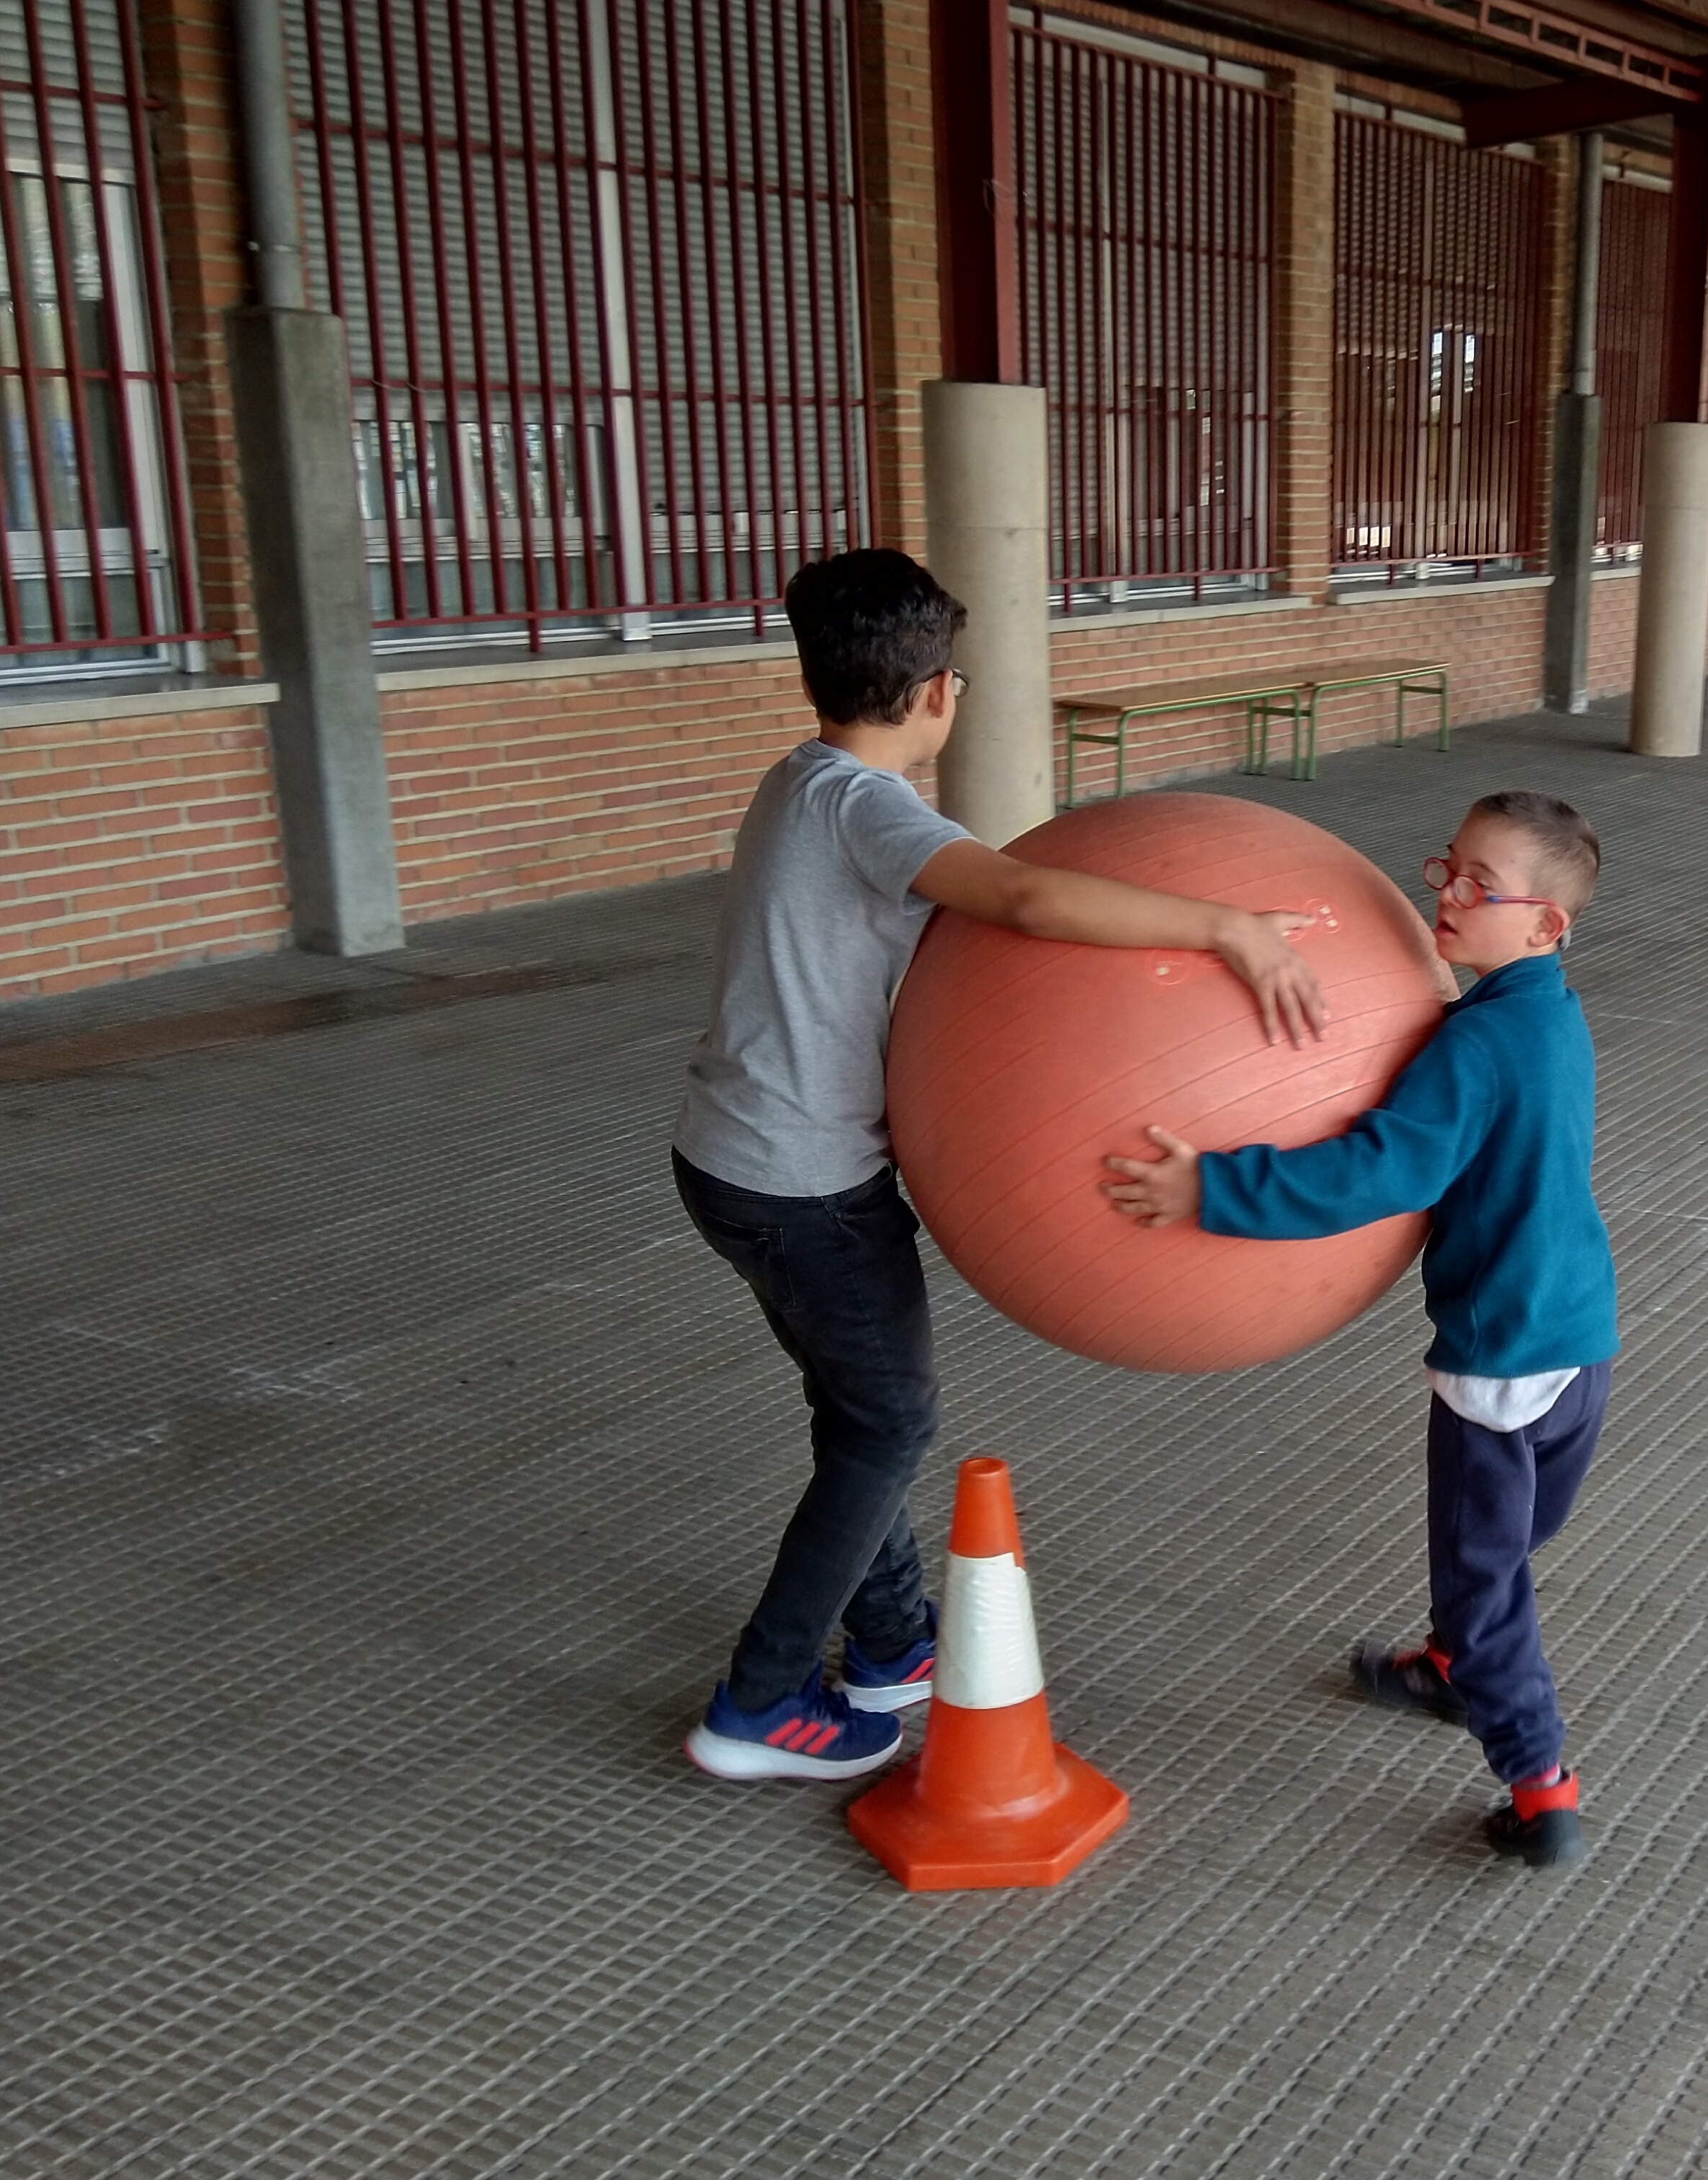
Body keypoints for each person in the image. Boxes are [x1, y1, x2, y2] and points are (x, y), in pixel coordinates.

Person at [672, 548, 1327, 1783]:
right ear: (937, 695)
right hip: (805, 1187)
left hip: (734, 1165)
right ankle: (758, 1704)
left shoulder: (800, 779)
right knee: (889, 1422)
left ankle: (889, 1643)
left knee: (859, 1412)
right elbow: (1021, 900)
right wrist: (1226, 926)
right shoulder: (869, 809)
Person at [1101, 792, 1616, 1867]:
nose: (1449, 893)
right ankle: (1454, 1665)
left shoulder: (1477, 1045)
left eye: (1482, 885)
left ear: (1546, 925)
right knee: (1511, 1542)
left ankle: (1540, 1785)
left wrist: (1213, 1190)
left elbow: (1380, 1172)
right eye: (1448, 867)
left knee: (1483, 1577)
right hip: (1581, 1337)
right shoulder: (1553, 1018)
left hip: (1500, 1361)